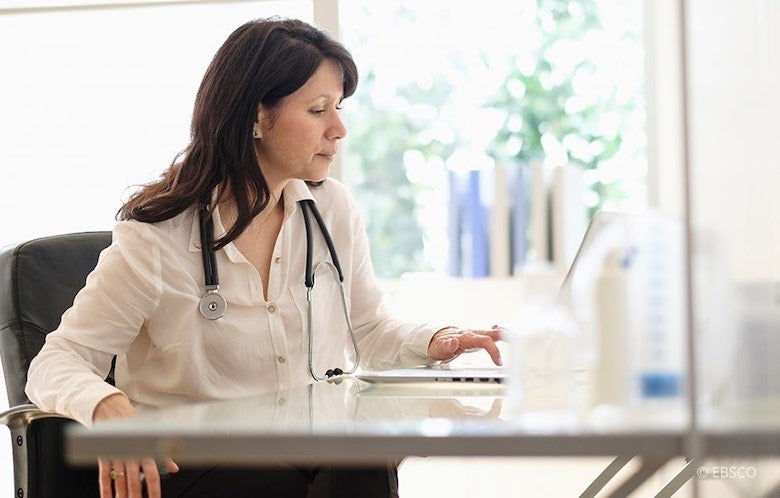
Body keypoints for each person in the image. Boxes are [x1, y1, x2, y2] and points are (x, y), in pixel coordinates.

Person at [25, 17, 502, 498]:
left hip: (305, 454)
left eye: (337, 108)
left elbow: (368, 329)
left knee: (359, 453)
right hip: (191, 467)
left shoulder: (330, 211)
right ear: (255, 116)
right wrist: (107, 407)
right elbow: (56, 362)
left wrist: (441, 339)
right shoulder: (158, 239)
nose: (339, 129)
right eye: (318, 110)